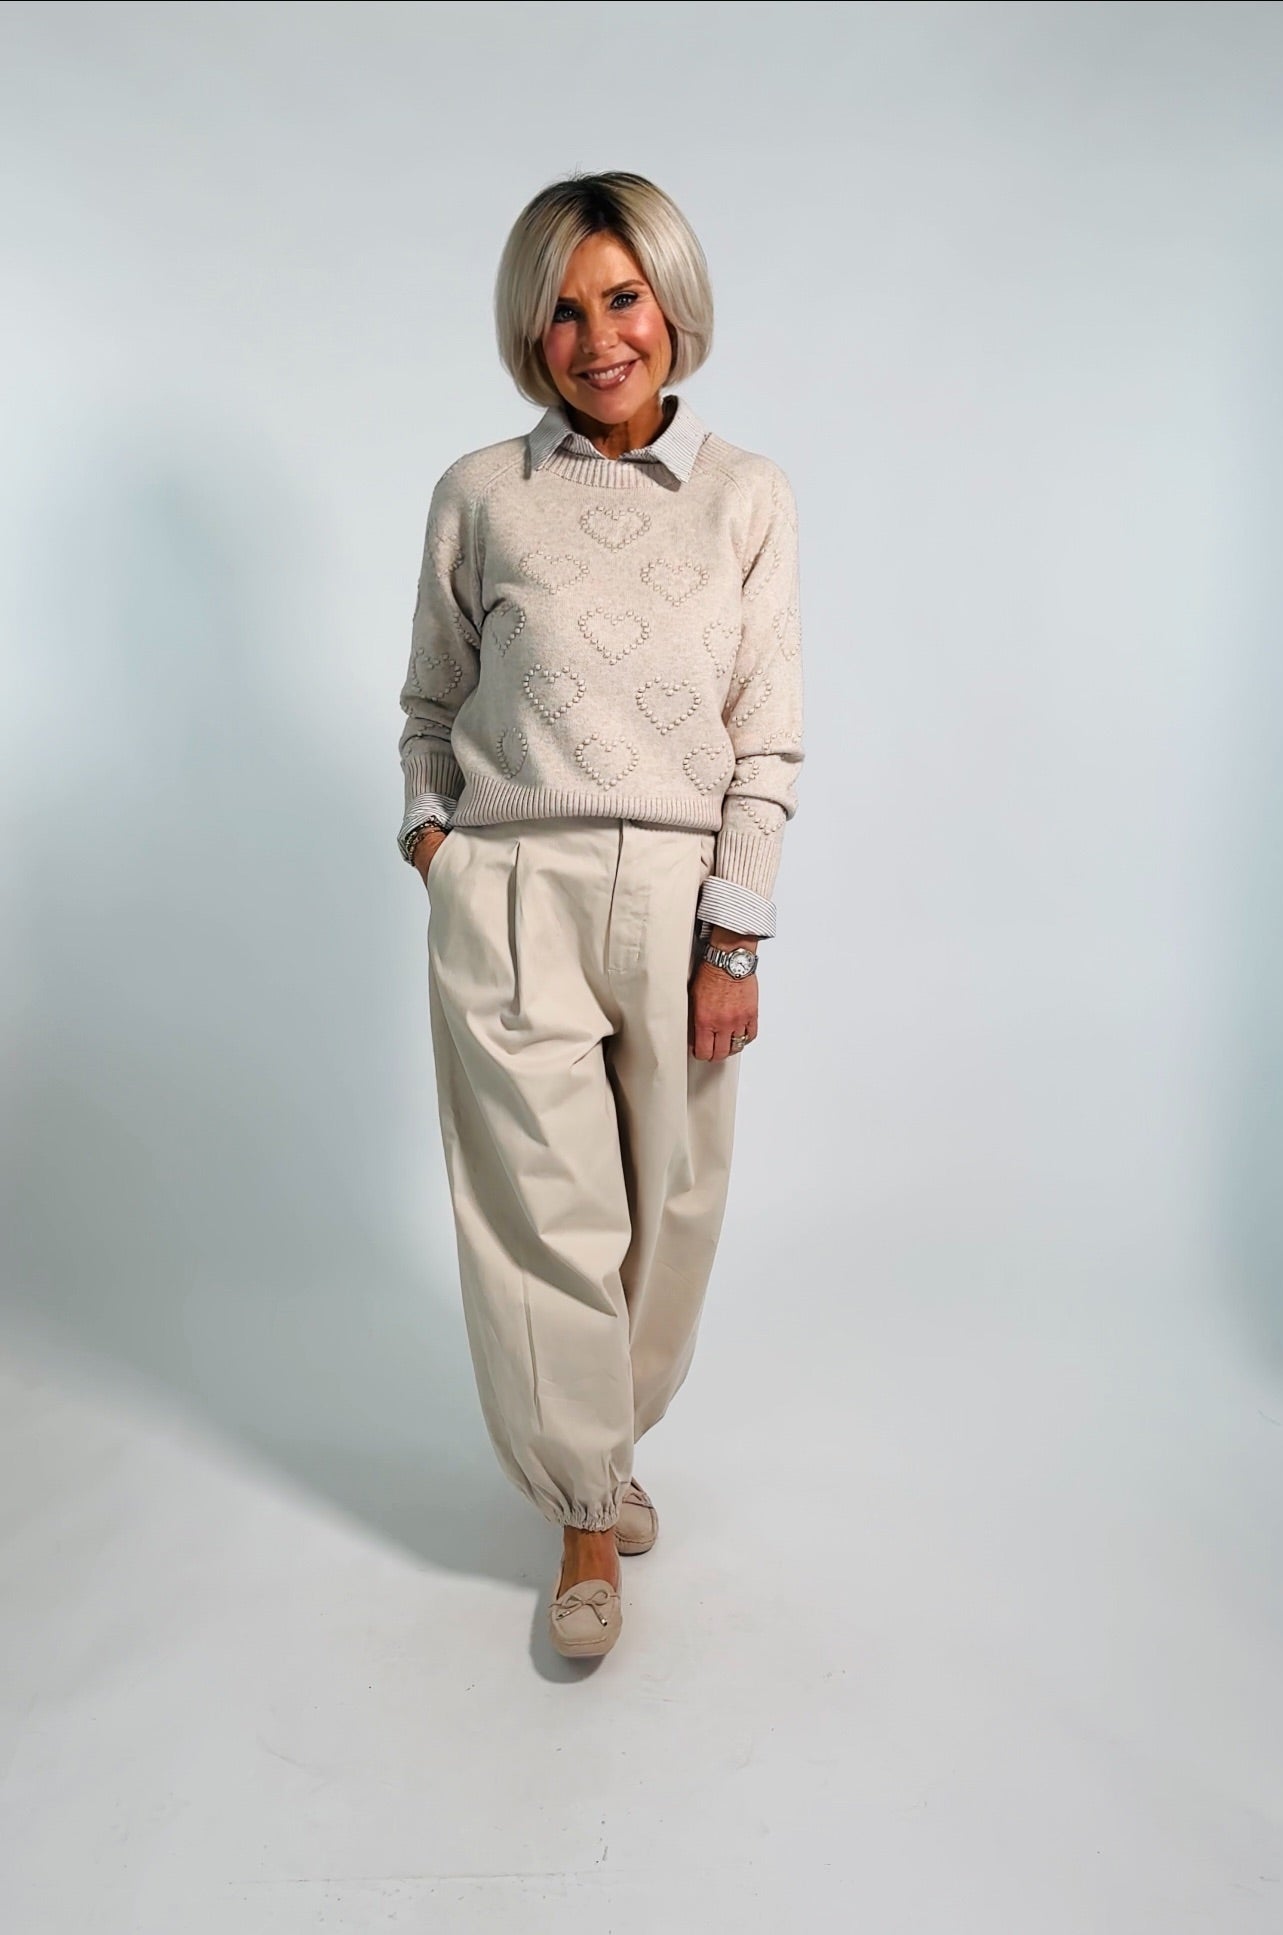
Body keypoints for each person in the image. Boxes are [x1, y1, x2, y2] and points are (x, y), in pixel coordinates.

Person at [396, 170, 804, 1660]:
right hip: (513, 882)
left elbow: (765, 737)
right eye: (561, 311)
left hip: (681, 895)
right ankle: (584, 1512)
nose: (596, 338)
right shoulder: (479, 493)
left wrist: (733, 935)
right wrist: (436, 842)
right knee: (548, 1212)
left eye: (622, 298)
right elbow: (429, 704)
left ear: (672, 302)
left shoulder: (746, 496)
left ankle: (603, 1436)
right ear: (530, 332)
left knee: (674, 1207)